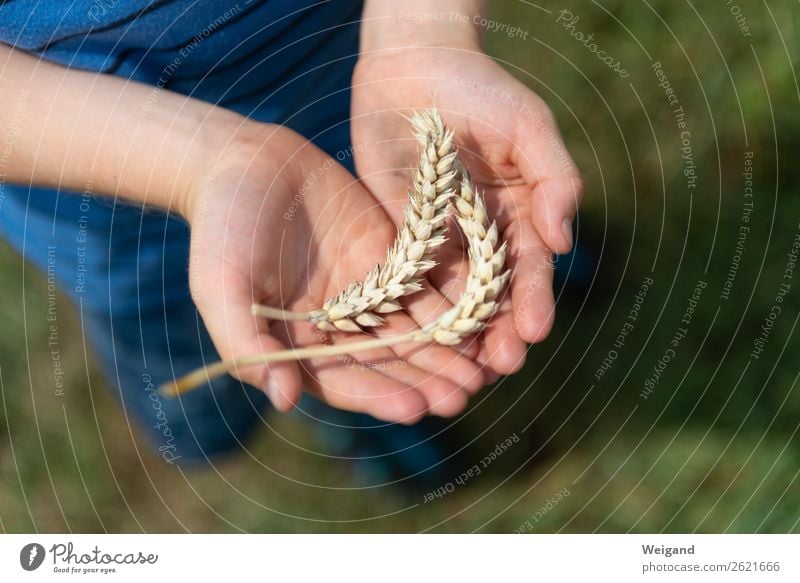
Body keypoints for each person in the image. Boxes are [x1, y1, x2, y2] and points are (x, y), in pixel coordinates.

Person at [0, 0, 582, 469]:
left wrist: (422, 26)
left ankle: (379, 428)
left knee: (352, 311)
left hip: (358, 109)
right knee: (208, 406)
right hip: (119, 230)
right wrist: (199, 164)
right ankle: (288, 426)